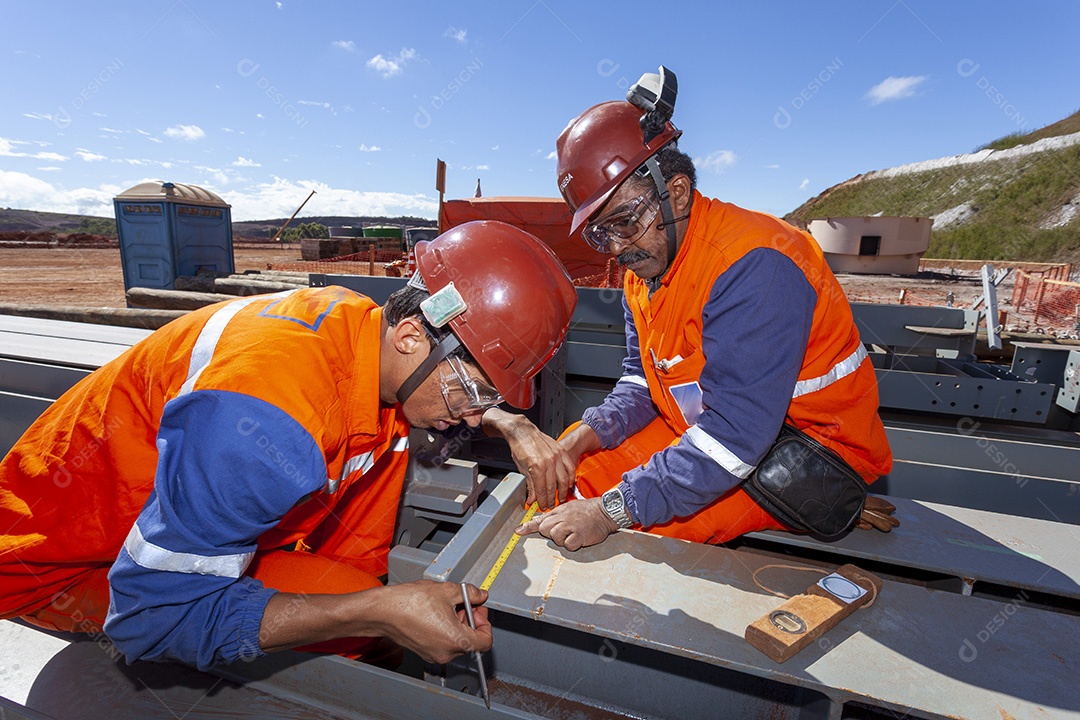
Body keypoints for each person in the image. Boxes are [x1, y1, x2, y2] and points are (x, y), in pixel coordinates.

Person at [0, 220, 578, 671]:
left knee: (364, 623)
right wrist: (376, 613)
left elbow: (446, 392)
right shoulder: (265, 417)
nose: (473, 416)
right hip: (71, 563)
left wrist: (512, 423)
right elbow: (150, 615)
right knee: (364, 619)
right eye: (474, 391)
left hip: (185, 533)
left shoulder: (365, 336)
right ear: (409, 336)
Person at [514, 68, 895, 551]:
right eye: (599, 234)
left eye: (624, 222)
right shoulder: (644, 268)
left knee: (632, 533)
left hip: (802, 452)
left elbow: (735, 436)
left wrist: (611, 512)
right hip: (708, 431)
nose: (615, 248)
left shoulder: (754, 264)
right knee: (573, 471)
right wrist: (585, 436)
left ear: (675, 192)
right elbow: (641, 382)